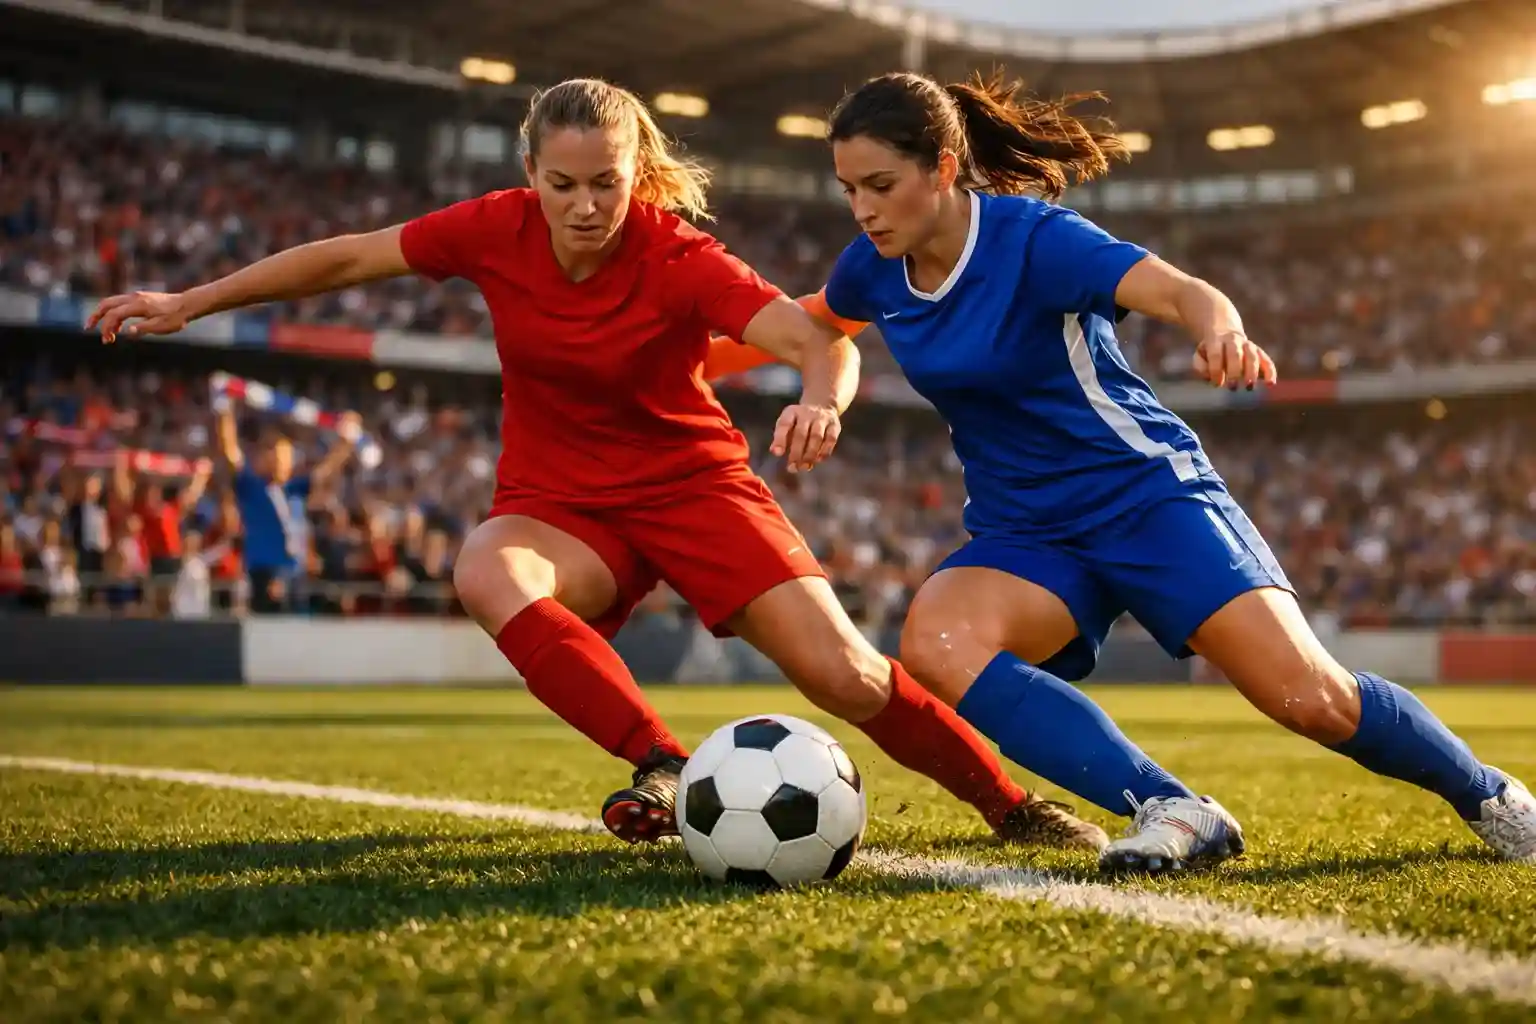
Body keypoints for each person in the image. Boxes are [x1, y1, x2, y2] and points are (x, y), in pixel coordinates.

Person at [87, 77, 1107, 853]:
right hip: (562, 502)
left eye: (606, 184)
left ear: (637, 173)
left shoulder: (677, 255)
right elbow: (347, 256)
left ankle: (1011, 807)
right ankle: (661, 761)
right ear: (530, 174)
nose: (583, 205)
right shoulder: (494, 229)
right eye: (562, 183)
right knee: (487, 569)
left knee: (842, 671)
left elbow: (818, 339)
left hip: (694, 483)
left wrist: (817, 401)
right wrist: (190, 302)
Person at [725, 70, 1534, 873]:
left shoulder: (1036, 241)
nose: (862, 209)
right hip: (1029, 531)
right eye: (848, 190)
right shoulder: (872, 265)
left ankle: (1490, 794)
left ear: (941, 168)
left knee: (1310, 697)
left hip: (1146, 495)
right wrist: (788, 389)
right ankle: (1171, 807)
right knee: (938, 639)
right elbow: (819, 327)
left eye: (880, 184)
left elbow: (1185, 292)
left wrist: (1220, 330)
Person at [210, 406, 357, 614]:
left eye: (287, 456)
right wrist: (224, 411)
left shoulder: (291, 490)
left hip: (294, 572)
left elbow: (325, 471)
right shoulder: (252, 487)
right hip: (264, 570)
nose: (283, 461)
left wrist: (346, 442)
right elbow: (230, 451)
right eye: (277, 455)